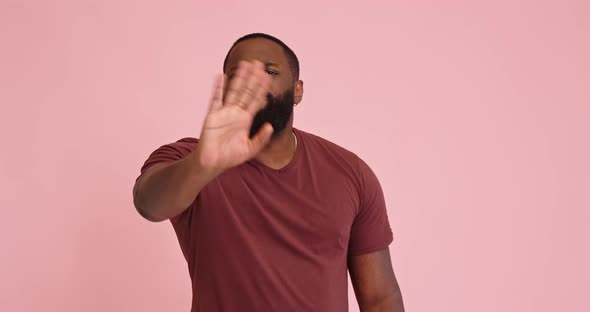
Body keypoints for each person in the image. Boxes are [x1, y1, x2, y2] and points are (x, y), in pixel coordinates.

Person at [133, 33, 404, 312]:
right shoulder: (186, 160)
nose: (253, 83)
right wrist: (203, 164)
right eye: (239, 75)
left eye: (270, 71)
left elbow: (379, 298)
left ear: (297, 90)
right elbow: (149, 204)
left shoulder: (350, 173)